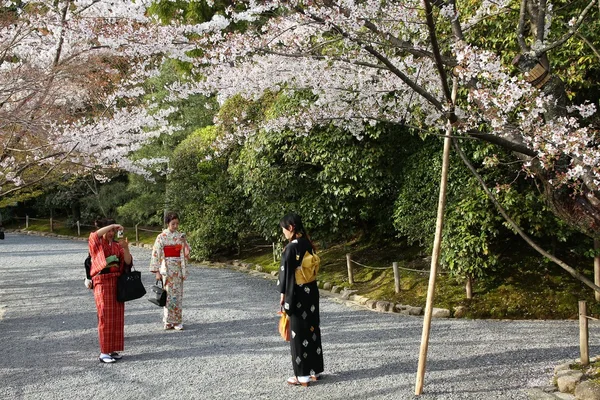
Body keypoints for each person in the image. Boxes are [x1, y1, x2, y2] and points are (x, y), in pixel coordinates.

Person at [278, 213, 324, 387]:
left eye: (283, 229)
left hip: (297, 294)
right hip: (311, 292)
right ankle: (316, 370)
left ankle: (302, 376)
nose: (283, 233)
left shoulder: (291, 248)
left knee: (298, 333)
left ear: (290, 228)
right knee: (312, 329)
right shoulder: (308, 244)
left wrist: (283, 296)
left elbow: (286, 275)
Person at [88, 218, 133, 363]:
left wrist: (125, 248)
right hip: (102, 282)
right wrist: (112, 225)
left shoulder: (116, 246)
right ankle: (104, 352)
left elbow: (127, 262)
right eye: (109, 231)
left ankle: (112, 349)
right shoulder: (97, 244)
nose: (111, 233)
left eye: (113, 231)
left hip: (116, 282)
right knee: (105, 316)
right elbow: (94, 235)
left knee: (116, 317)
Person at [150, 212, 190, 330]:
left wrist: (183, 243)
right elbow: (156, 254)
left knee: (177, 295)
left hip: (178, 268)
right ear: (168, 223)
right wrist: (156, 271)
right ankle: (167, 320)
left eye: (177, 223)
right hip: (166, 268)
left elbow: (186, 252)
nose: (175, 226)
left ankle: (177, 321)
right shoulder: (161, 237)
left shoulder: (180, 236)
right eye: (173, 224)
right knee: (167, 295)